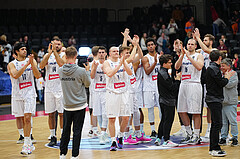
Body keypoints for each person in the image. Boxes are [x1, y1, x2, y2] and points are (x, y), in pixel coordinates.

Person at [8, 42, 41, 155]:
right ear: (16, 51)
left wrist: (32, 64)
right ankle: (26, 140)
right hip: (17, 94)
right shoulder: (11, 64)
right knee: (21, 118)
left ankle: (27, 144)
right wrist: (27, 65)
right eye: (22, 49)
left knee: (27, 118)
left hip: (30, 94)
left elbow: (37, 76)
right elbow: (15, 75)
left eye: (25, 49)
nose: (25, 51)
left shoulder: (32, 61)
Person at [59, 46, 90, 159]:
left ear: (66, 56)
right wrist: (87, 72)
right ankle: (74, 155)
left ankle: (62, 154)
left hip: (67, 105)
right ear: (76, 56)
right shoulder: (81, 71)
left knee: (65, 131)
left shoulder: (60, 70)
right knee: (77, 131)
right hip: (79, 105)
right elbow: (87, 84)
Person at [103, 46, 132, 151]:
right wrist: (119, 65)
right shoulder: (106, 63)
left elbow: (130, 73)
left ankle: (120, 135)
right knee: (112, 118)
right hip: (112, 93)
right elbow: (110, 73)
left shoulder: (123, 61)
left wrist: (123, 63)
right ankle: (113, 141)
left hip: (124, 92)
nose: (116, 52)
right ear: (109, 53)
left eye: (117, 51)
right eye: (113, 51)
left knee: (126, 117)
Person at [205, 50, 235, 157]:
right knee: (217, 124)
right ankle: (214, 148)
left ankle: (213, 147)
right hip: (214, 99)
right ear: (219, 59)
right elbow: (222, 83)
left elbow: (203, 80)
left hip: (211, 98)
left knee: (216, 123)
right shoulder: (215, 69)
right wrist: (227, 77)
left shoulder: (209, 68)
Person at [175, 39, 204, 145]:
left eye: (192, 44)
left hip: (194, 83)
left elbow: (199, 67)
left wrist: (188, 57)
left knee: (195, 112)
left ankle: (197, 135)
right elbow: (176, 67)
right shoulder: (183, 55)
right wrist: (182, 56)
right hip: (184, 84)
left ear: (195, 46)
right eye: (188, 44)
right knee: (181, 110)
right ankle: (189, 133)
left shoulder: (198, 55)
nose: (190, 46)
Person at [39, 37, 66, 146]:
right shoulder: (47, 55)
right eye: (55, 44)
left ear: (61, 45)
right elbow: (41, 66)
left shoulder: (63, 55)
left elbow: (62, 64)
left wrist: (54, 52)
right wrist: (49, 54)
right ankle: (52, 136)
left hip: (60, 88)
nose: (57, 46)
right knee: (51, 113)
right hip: (49, 88)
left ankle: (64, 135)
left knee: (62, 113)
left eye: (58, 44)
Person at [194, 29, 217, 139]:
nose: (203, 41)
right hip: (202, 81)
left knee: (209, 107)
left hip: (212, 82)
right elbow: (194, 50)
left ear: (211, 41)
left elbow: (205, 49)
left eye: (205, 40)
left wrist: (198, 38)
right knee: (203, 106)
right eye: (203, 40)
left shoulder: (214, 50)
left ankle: (209, 129)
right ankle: (197, 131)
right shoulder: (201, 51)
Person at [155, 54, 180, 147]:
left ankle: (159, 137)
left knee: (164, 119)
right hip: (168, 100)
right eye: (169, 62)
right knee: (168, 120)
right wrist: (177, 80)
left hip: (163, 99)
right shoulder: (164, 74)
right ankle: (166, 140)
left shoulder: (162, 72)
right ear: (164, 63)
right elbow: (172, 87)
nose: (171, 64)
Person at [142, 38, 161, 138]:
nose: (150, 46)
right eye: (148, 45)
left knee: (161, 108)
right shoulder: (145, 58)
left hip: (159, 86)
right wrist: (155, 62)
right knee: (150, 109)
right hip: (148, 86)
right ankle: (153, 130)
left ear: (155, 45)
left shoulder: (160, 56)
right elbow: (147, 71)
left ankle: (161, 129)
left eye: (152, 44)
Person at [90, 46, 109, 145]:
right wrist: (93, 67)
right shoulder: (94, 64)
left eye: (103, 52)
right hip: (97, 91)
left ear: (106, 54)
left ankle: (103, 133)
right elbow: (92, 76)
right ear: (97, 54)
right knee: (99, 113)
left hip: (106, 91)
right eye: (99, 52)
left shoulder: (108, 63)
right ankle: (102, 132)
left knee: (106, 113)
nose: (101, 54)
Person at [219, 58, 238, 146]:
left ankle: (235, 138)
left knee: (232, 121)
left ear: (228, 66)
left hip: (230, 101)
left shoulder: (233, 74)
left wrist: (224, 80)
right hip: (222, 101)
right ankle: (223, 137)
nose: (221, 67)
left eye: (223, 66)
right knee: (223, 121)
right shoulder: (221, 74)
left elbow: (229, 85)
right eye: (221, 65)